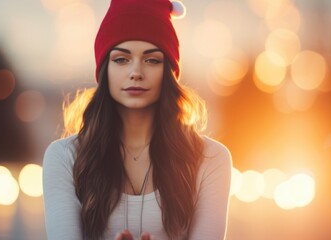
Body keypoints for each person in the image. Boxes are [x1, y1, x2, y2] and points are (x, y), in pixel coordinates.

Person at [42, 0, 232, 239]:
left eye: (152, 60)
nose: (136, 72)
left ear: (169, 72)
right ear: (104, 70)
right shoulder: (64, 158)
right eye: (121, 59)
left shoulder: (211, 159)